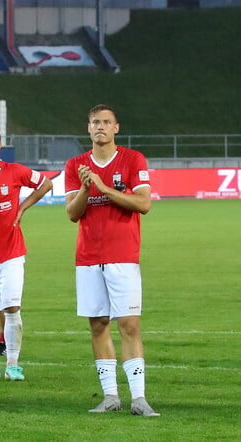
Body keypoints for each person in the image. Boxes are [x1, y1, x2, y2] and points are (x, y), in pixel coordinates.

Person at [64, 105, 158, 417]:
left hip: (123, 256)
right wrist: (86, 188)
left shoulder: (133, 160)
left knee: (129, 324)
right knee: (98, 324)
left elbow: (143, 204)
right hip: (88, 257)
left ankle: (139, 398)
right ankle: (110, 396)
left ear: (116, 127)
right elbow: (73, 214)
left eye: (106, 122)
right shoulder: (75, 165)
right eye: (95, 123)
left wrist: (104, 188)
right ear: (88, 128)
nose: (100, 127)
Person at [0, 125, 52, 382]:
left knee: (12, 307)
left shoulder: (14, 172)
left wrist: (23, 207)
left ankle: (13, 364)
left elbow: (46, 183)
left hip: (12, 254)